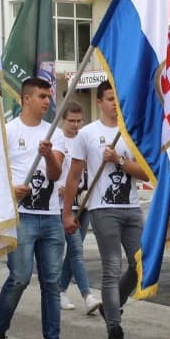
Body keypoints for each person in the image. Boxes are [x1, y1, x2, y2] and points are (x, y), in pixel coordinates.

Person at [0, 77, 71, 339]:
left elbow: (55, 173)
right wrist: (12, 188)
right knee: (20, 277)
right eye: (41, 96)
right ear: (25, 99)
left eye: (49, 96)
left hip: (49, 217)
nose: (47, 101)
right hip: (21, 215)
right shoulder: (9, 131)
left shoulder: (55, 134)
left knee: (51, 283)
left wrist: (48, 156)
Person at [62, 81, 148, 339]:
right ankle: (114, 328)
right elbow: (74, 175)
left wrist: (119, 160)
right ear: (99, 102)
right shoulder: (87, 134)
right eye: (110, 99)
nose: (114, 104)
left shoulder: (130, 132)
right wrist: (68, 212)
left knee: (141, 264)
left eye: (117, 99)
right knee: (111, 266)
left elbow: (146, 173)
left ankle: (114, 302)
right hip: (103, 209)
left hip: (132, 208)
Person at [53, 101, 98, 314]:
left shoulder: (86, 139)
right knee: (77, 249)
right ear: (63, 120)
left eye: (79, 121)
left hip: (84, 202)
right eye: (71, 121)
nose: (76, 125)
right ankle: (87, 294)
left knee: (73, 250)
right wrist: (58, 188)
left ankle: (60, 290)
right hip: (63, 204)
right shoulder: (58, 140)